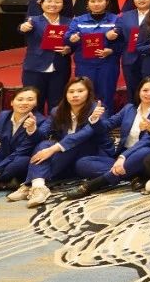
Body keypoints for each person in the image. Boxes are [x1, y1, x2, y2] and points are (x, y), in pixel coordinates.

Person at [12, 77, 109, 207]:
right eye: (71, 91)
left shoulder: (97, 109)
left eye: (80, 91)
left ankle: (30, 184)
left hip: (90, 152)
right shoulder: (57, 111)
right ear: (65, 94)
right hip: (66, 156)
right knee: (43, 145)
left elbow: (84, 135)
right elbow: (43, 133)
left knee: (65, 145)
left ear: (89, 93)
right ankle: (38, 186)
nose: (75, 95)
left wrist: (53, 149)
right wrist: (32, 128)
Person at [71, 77, 150, 196]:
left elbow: (147, 141)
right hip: (125, 157)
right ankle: (132, 175)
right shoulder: (129, 108)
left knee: (146, 151)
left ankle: (95, 184)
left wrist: (123, 157)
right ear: (138, 91)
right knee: (82, 163)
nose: (149, 94)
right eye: (145, 90)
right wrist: (95, 119)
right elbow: (107, 126)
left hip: (149, 157)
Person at [66, 0, 122, 114]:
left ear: (106, 2)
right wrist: (72, 39)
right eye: (93, 1)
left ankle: (105, 121)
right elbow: (67, 38)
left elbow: (124, 42)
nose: (96, 4)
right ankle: (84, 122)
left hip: (108, 64)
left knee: (106, 95)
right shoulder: (78, 20)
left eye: (100, 1)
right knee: (85, 94)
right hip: (84, 64)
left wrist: (112, 50)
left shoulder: (116, 19)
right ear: (88, 3)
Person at [18, 0, 72, 112]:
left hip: (59, 68)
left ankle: (55, 124)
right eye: (49, 1)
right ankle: (35, 124)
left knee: (57, 103)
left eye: (57, 2)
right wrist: (22, 27)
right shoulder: (33, 20)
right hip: (35, 67)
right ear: (41, 3)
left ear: (63, 5)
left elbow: (73, 43)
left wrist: (69, 49)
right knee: (34, 102)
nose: (53, 4)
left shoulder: (69, 22)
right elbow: (23, 29)